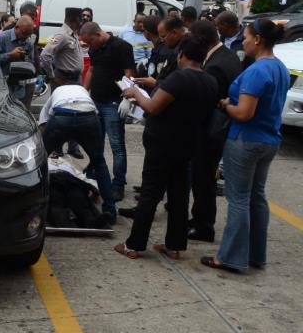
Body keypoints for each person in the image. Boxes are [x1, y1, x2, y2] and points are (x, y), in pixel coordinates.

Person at [114, 35, 219, 260]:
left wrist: (134, 94)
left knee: (150, 194)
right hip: (189, 143)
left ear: (182, 55)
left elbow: (152, 107)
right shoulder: (210, 81)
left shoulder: (179, 78)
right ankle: (175, 245)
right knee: (179, 195)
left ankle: (134, 244)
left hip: (163, 143)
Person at [202, 19, 289, 272]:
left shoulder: (256, 71)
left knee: (238, 198)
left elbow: (244, 113)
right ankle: (254, 255)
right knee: (256, 197)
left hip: (246, 139)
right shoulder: (279, 67)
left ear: (259, 40)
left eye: (247, 37)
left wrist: (224, 104)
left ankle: (229, 257)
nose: (244, 41)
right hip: (268, 140)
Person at [187, 20, 243, 242]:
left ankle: (204, 226)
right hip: (215, 129)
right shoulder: (225, 55)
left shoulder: (217, 65)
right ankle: (198, 218)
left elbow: (208, 101)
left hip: (211, 132)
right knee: (202, 177)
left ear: (201, 40)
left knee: (203, 178)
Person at [38, 77, 116, 223]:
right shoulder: (83, 92)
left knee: (40, 162)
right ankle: (110, 210)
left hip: (62, 116)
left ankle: (35, 206)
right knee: (99, 162)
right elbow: (94, 115)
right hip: (88, 117)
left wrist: (41, 151)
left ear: (63, 83)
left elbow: (42, 124)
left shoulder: (57, 91)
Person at [80, 22, 135, 201]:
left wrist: (127, 98)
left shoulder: (121, 47)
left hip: (113, 103)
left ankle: (118, 184)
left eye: (90, 42)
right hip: (96, 101)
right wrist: (83, 92)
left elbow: (129, 74)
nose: (89, 47)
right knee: (96, 142)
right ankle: (94, 171)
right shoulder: (95, 49)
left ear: (97, 34)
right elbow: (92, 71)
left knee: (116, 145)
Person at [41, 8, 86, 159]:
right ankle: (57, 148)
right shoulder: (62, 35)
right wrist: (52, 76)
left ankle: (73, 147)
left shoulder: (73, 34)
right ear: (75, 19)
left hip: (75, 79)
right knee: (60, 114)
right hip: (63, 78)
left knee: (76, 112)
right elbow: (45, 55)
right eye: (81, 19)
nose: (82, 22)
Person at [134, 16, 185, 90]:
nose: (162, 40)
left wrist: (156, 83)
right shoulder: (164, 47)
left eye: (163, 36)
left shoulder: (170, 51)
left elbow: (172, 81)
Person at [0, 16, 35, 101]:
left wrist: (25, 59)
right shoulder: (2, 38)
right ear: (17, 27)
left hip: (19, 89)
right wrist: (10, 55)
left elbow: (31, 63)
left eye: (28, 35)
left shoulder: (28, 42)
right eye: (24, 33)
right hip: (2, 88)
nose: (25, 38)